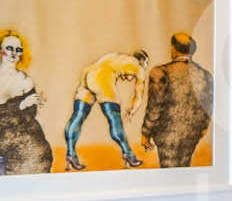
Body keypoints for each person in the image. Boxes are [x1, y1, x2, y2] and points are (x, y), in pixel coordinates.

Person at [0, 28, 54, 174]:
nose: (14, 53)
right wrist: (19, 106)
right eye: (9, 48)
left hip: (21, 128)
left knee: (41, 149)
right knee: (21, 146)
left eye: (18, 50)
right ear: (0, 50)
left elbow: (28, 115)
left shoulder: (25, 81)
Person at [63, 49, 150, 170]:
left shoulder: (117, 58)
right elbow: (138, 96)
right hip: (102, 78)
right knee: (114, 119)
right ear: (142, 61)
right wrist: (133, 110)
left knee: (78, 115)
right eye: (146, 64)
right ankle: (129, 154)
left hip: (87, 74)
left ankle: (70, 153)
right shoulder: (138, 67)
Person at [141, 32, 214, 168]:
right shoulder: (206, 75)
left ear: (173, 49)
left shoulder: (160, 72)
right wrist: (203, 128)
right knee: (184, 167)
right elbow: (208, 107)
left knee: (169, 170)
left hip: (166, 136)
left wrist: (146, 132)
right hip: (191, 135)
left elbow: (154, 107)